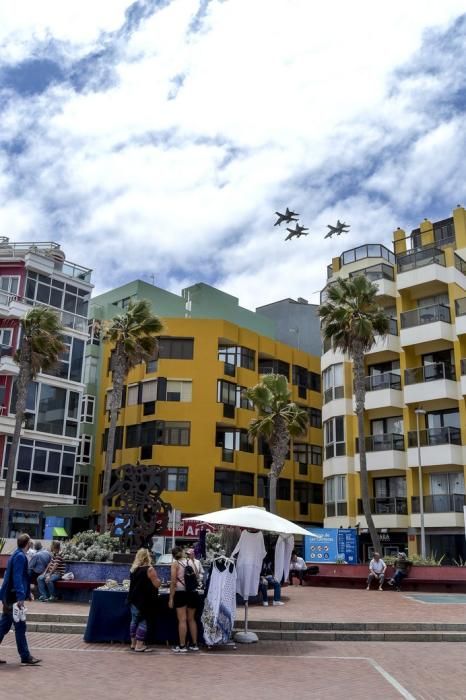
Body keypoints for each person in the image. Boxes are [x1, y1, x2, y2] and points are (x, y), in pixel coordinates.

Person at [0, 533, 41, 665]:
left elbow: (20, 577)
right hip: (13, 597)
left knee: (4, 626)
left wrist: (27, 593)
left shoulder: (16, 554)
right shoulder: (20, 557)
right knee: (20, 626)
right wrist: (20, 596)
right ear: (27, 543)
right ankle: (25, 656)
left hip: (9, 596)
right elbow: (17, 577)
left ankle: (25, 656)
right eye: (30, 542)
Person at [127, 548, 161, 652]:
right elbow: (156, 584)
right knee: (143, 621)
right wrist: (159, 580)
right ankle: (139, 645)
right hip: (144, 601)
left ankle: (133, 643)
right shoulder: (149, 569)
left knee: (134, 621)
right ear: (147, 557)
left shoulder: (133, 569)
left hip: (133, 599)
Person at [168, 546, 200, 653]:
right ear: (182, 552)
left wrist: (171, 598)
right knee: (192, 619)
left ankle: (182, 646)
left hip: (180, 593)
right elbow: (196, 576)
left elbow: (173, 581)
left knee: (182, 620)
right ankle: (194, 644)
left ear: (173, 555)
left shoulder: (175, 564)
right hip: (192, 592)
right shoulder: (191, 561)